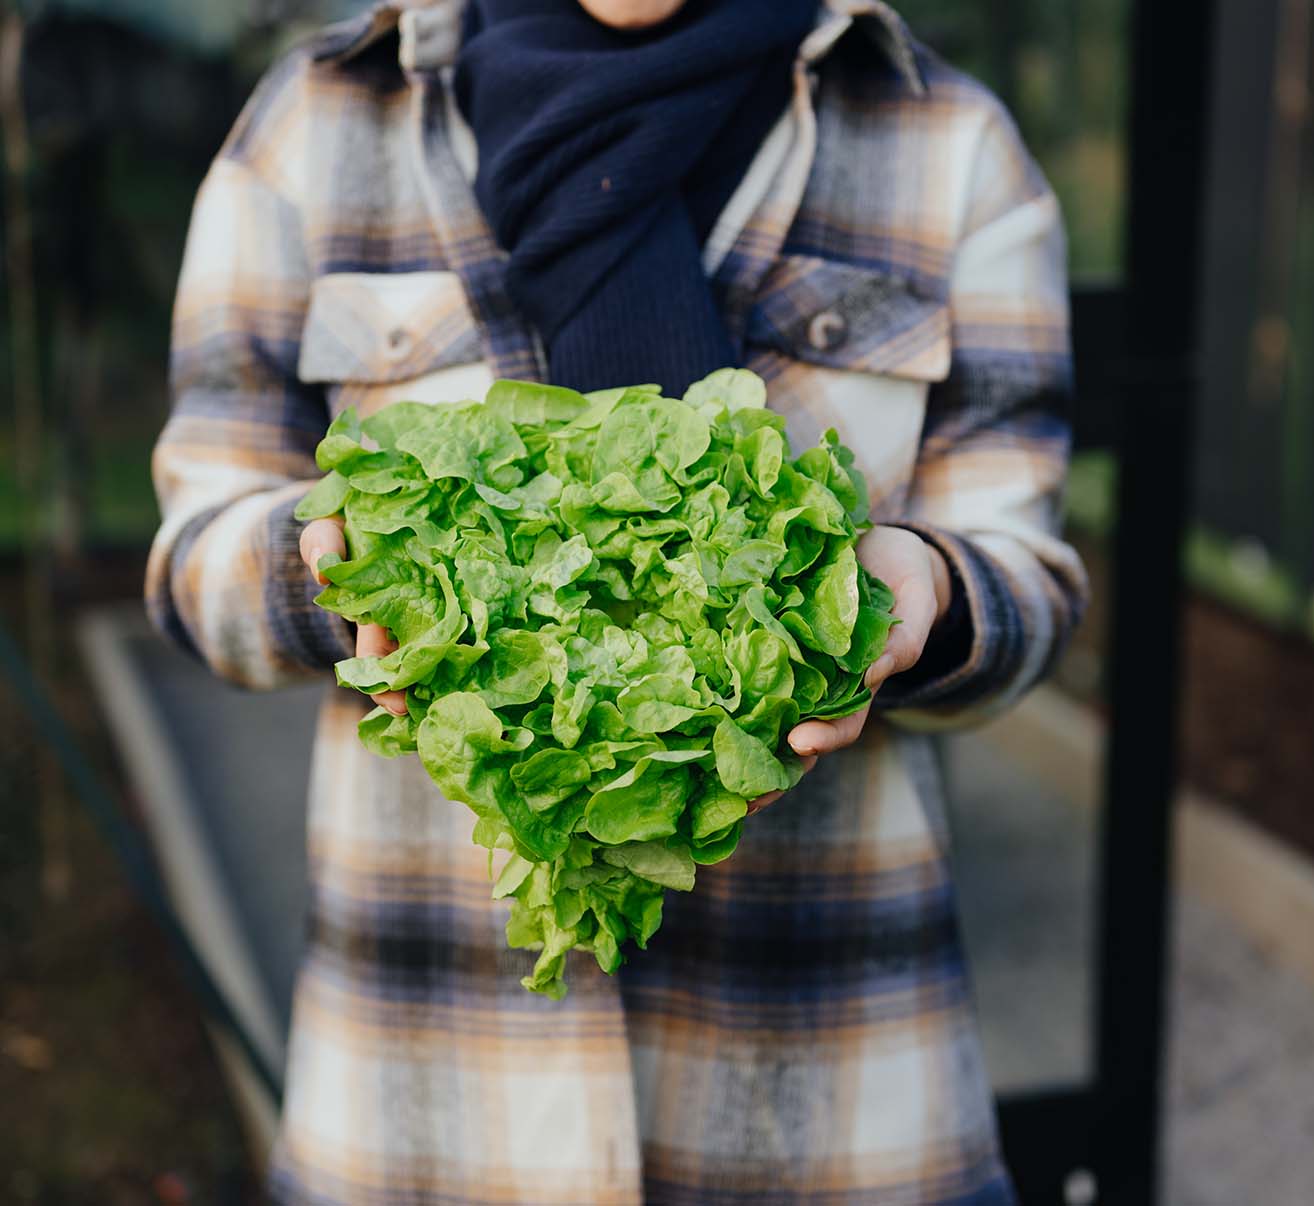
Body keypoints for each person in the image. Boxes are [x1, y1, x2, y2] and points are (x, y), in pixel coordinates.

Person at [146, 0, 1088, 1201]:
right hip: (429, 1107)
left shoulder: (945, 142)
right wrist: (326, 568)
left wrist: (933, 601)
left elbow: (1031, 578)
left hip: (829, 1104)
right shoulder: (319, 125)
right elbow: (192, 556)